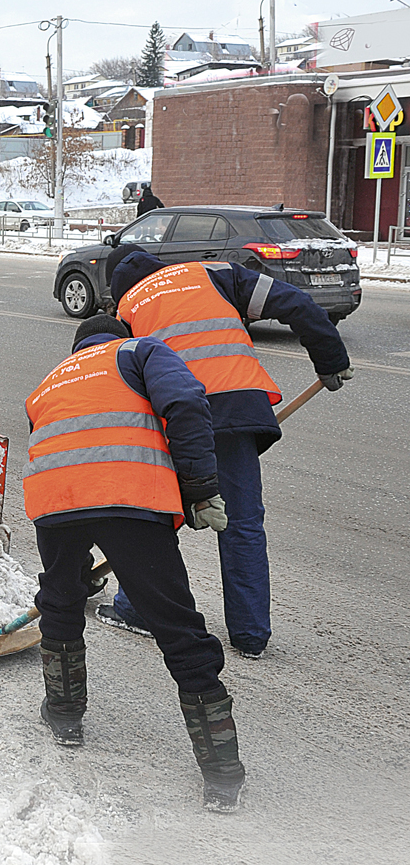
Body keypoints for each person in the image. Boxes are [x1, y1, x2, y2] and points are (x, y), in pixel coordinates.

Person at [25, 313, 245, 812]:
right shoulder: (139, 351)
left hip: (54, 502)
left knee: (61, 602)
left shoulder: (52, 378)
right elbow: (186, 402)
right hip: (127, 499)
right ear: (117, 338)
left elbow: (54, 444)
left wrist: (76, 561)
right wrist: (202, 488)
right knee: (175, 625)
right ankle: (222, 775)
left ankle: (64, 717)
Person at [99, 244, 352, 659]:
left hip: (177, 417)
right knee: (243, 524)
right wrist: (330, 358)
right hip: (238, 405)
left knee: (157, 515)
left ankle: (136, 610)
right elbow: (297, 302)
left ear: (120, 286)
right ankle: (251, 637)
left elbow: (124, 383)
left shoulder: (128, 309)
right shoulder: (214, 274)